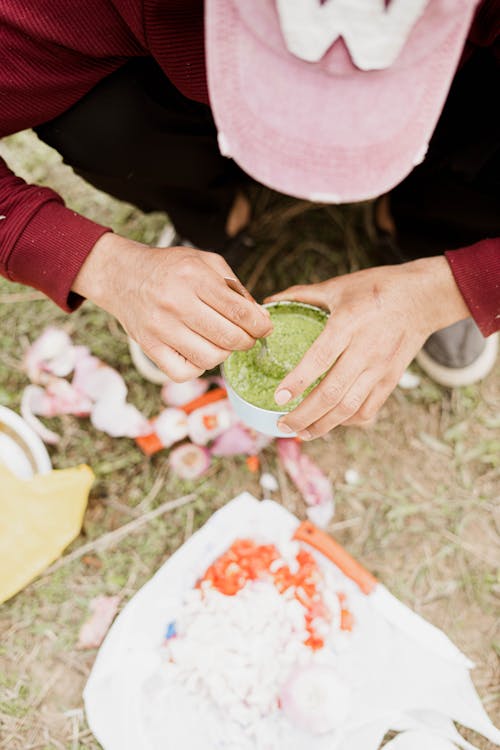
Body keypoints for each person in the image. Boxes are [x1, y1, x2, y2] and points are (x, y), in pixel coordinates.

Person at [0, 0, 498, 441]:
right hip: (182, 97)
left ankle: (428, 235)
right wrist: (102, 265)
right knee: (100, 118)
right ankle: (210, 216)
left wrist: (452, 286)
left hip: (464, 99)